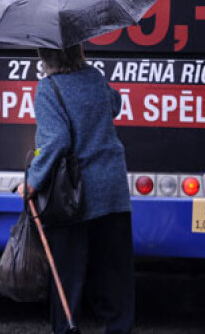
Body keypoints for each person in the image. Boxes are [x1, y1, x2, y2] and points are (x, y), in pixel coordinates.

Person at [18, 44, 134, 334]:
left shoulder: (48, 89)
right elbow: (115, 105)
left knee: (67, 274)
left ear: (45, 56)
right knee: (113, 273)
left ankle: (66, 327)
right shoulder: (94, 77)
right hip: (112, 191)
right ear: (78, 51)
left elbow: (56, 140)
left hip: (74, 196)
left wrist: (33, 181)